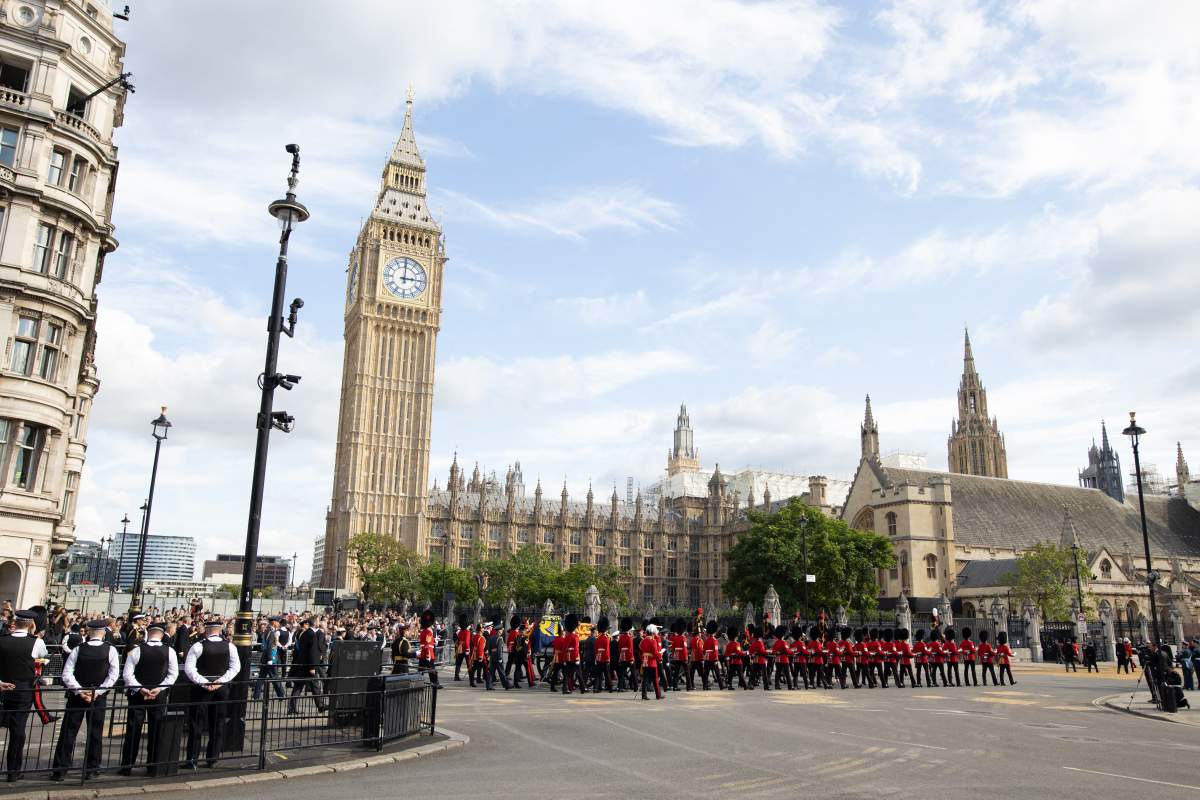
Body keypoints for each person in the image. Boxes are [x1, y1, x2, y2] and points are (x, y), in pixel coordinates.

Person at [51, 619, 119, 782]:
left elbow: (67, 674)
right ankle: (92, 768)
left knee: (68, 732)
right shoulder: (110, 650)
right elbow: (113, 675)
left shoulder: (78, 649)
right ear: (103, 633)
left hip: (77, 697)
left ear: (88, 632)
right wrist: (97, 692)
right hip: (98, 696)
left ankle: (60, 769)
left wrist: (79, 691)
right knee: (95, 732)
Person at [120, 622, 178, 776]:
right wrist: (159, 688)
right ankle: (153, 765)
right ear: (162, 634)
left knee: (133, 730)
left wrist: (140, 688)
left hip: (138, 694)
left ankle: (127, 765)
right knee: (156, 729)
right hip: (158, 694)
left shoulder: (137, 650)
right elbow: (173, 675)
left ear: (148, 633)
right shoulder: (169, 651)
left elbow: (127, 675)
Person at [182, 618, 239, 770]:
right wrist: (220, 682)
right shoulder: (229, 646)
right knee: (218, 723)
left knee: (196, 724)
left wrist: (203, 682)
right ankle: (212, 758)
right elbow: (235, 668)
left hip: (201, 688)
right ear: (220, 629)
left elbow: (190, 669)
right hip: (221, 688)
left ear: (207, 630)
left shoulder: (198, 646)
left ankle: (192, 758)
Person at [0, 610, 49, 782]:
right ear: (31, 624)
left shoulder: (2, 640)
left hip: (2, 690)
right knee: (18, 731)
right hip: (23, 691)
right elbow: (43, 657)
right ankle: (13, 771)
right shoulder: (36, 642)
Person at [287, 618, 326, 714]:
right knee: (314, 686)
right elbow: (312, 652)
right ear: (314, 623)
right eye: (317, 621)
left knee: (298, 687)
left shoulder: (305, 633)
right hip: (309, 666)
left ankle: (292, 708)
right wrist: (312, 667)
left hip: (303, 664)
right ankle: (320, 706)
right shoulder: (312, 635)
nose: (319, 622)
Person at [253, 617, 286, 700]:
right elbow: (270, 646)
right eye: (278, 622)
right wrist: (270, 659)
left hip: (267, 658)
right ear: (274, 622)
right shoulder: (270, 632)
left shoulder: (270, 631)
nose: (279, 623)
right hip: (270, 658)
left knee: (262, 678)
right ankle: (281, 695)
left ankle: (256, 696)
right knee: (274, 677)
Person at [639, 623, 663, 700]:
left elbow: (640, 650)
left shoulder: (643, 641)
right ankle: (658, 695)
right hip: (652, 662)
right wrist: (660, 658)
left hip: (645, 661)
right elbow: (655, 653)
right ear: (653, 633)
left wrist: (642, 658)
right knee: (655, 679)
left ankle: (644, 695)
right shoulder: (653, 641)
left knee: (645, 679)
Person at [417, 610, 438, 686]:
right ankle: (435, 683)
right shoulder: (429, 632)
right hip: (428, 653)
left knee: (421, 670)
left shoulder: (423, 631)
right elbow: (428, 644)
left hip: (422, 652)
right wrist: (428, 655)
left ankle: (418, 682)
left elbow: (424, 642)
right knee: (432, 669)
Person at [591, 616, 612, 692]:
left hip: (599, 658)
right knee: (607, 674)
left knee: (598, 674)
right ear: (605, 629)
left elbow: (596, 649)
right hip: (605, 658)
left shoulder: (598, 638)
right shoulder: (606, 638)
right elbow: (607, 650)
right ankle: (610, 688)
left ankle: (597, 688)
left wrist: (596, 658)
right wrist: (608, 658)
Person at [616, 618, 635, 692]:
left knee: (622, 674)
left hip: (622, 657)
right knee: (633, 672)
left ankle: (620, 687)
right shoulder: (629, 637)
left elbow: (619, 648)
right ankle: (635, 687)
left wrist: (620, 657)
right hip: (628, 657)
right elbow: (630, 649)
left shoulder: (621, 637)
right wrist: (631, 659)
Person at [453, 615, 471, 681]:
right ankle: (470, 676)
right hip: (465, 649)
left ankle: (456, 676)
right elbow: (466, 642)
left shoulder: (460, 632)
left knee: (458, 663)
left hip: (460, 649)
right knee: (469, 663)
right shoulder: (467, 632)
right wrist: (467, 649)